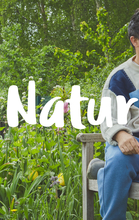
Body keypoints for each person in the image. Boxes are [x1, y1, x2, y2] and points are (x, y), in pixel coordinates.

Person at [87, 8, 139, 220]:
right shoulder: (121, 77)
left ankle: (101, 170)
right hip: (132, 146)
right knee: (119, 161)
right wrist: (122, 135)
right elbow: (110, 118)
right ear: (134, 40)